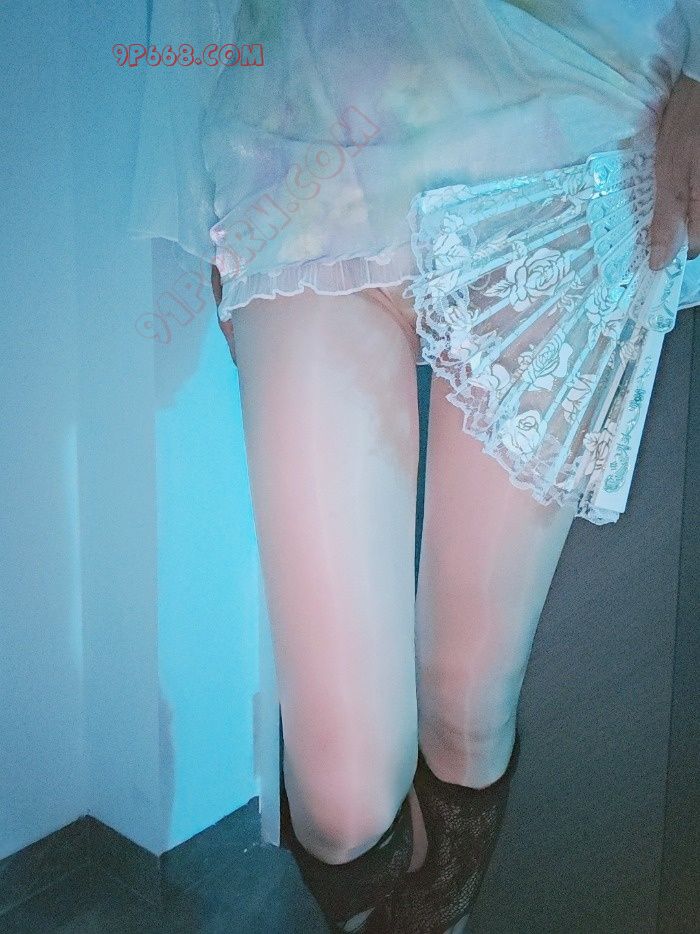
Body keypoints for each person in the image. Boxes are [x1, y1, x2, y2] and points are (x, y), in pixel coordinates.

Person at [131, 2, 699, 931]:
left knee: (466, 710)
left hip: (565, 115)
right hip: (303, 127)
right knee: (342, 803)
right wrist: (194, 186)